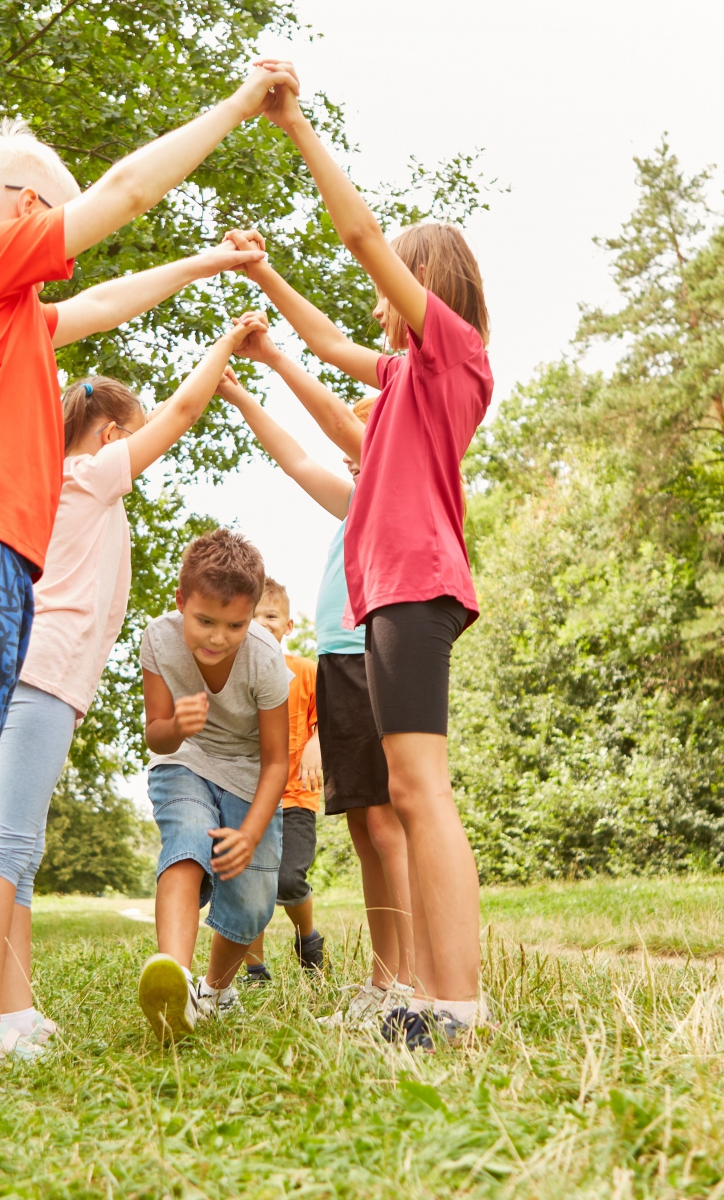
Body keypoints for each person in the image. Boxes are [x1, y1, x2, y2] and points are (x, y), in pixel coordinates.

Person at [0, 58, 303, 1103]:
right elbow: (126, 194)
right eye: (60, 213)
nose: (70, 228)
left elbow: (112, 296)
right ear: (27, 210)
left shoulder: (8, 323)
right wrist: (235, 104)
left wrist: (210, 264)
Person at [225, 64, 493, 1052]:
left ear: (425, 287)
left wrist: (295, 126)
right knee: (410, 795)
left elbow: (361, 238)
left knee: (422, 792)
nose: (378, 295)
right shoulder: (401, 385)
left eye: (395, 283)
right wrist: (262, 282)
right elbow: (329, 345)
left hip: (419, 588)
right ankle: (427, 989)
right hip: (390, 600)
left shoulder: (453, 356)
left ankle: (454, 1001)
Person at [0, 317, 268, 1066]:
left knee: (21, 849)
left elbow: (159, 418)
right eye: (127, 436)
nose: (137, 450)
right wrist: (222, 343)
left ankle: (16, 1009)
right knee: (8, 843)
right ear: (104, 436)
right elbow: (179, 417)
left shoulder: (63, 481)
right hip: (46, 671)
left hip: (43, 675)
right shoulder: (87, 476)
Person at [217, 366, 414, 1027]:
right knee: (364, 828)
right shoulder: (358, 498)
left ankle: (406, 977)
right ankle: (383, 980)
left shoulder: (395, 490)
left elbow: (323, 441)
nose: (345, 457)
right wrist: (241, 395)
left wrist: (275, 366)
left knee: (386, 826)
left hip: (367, 656)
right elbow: (296, 458)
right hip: (338, 663)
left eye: (357, 440)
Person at [137, 529, 291, 1041]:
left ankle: (214, 992)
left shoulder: (267, 660)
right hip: (185, 759)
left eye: (235, 625)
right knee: (186, 840)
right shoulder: (158, 639)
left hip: (251, 773)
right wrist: (177, 726)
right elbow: (156, 736)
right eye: (204, 621)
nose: (217, 637)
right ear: (181, 602)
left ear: (251, 617)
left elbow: (275, 762)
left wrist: (249, 833)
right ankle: (174, 979)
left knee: (251, 899)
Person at [241, 577, 325, 981]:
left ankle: (308, 938)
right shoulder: (238, 673)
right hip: (249, 798)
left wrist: (315, 742)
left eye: (271, 615)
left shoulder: (307, 672)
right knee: (250, 884)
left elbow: (331, 717)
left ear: (288, 625)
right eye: (255, 616)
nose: (263, 622)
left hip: (295, 799)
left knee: (288, 879)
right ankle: (254, 969)